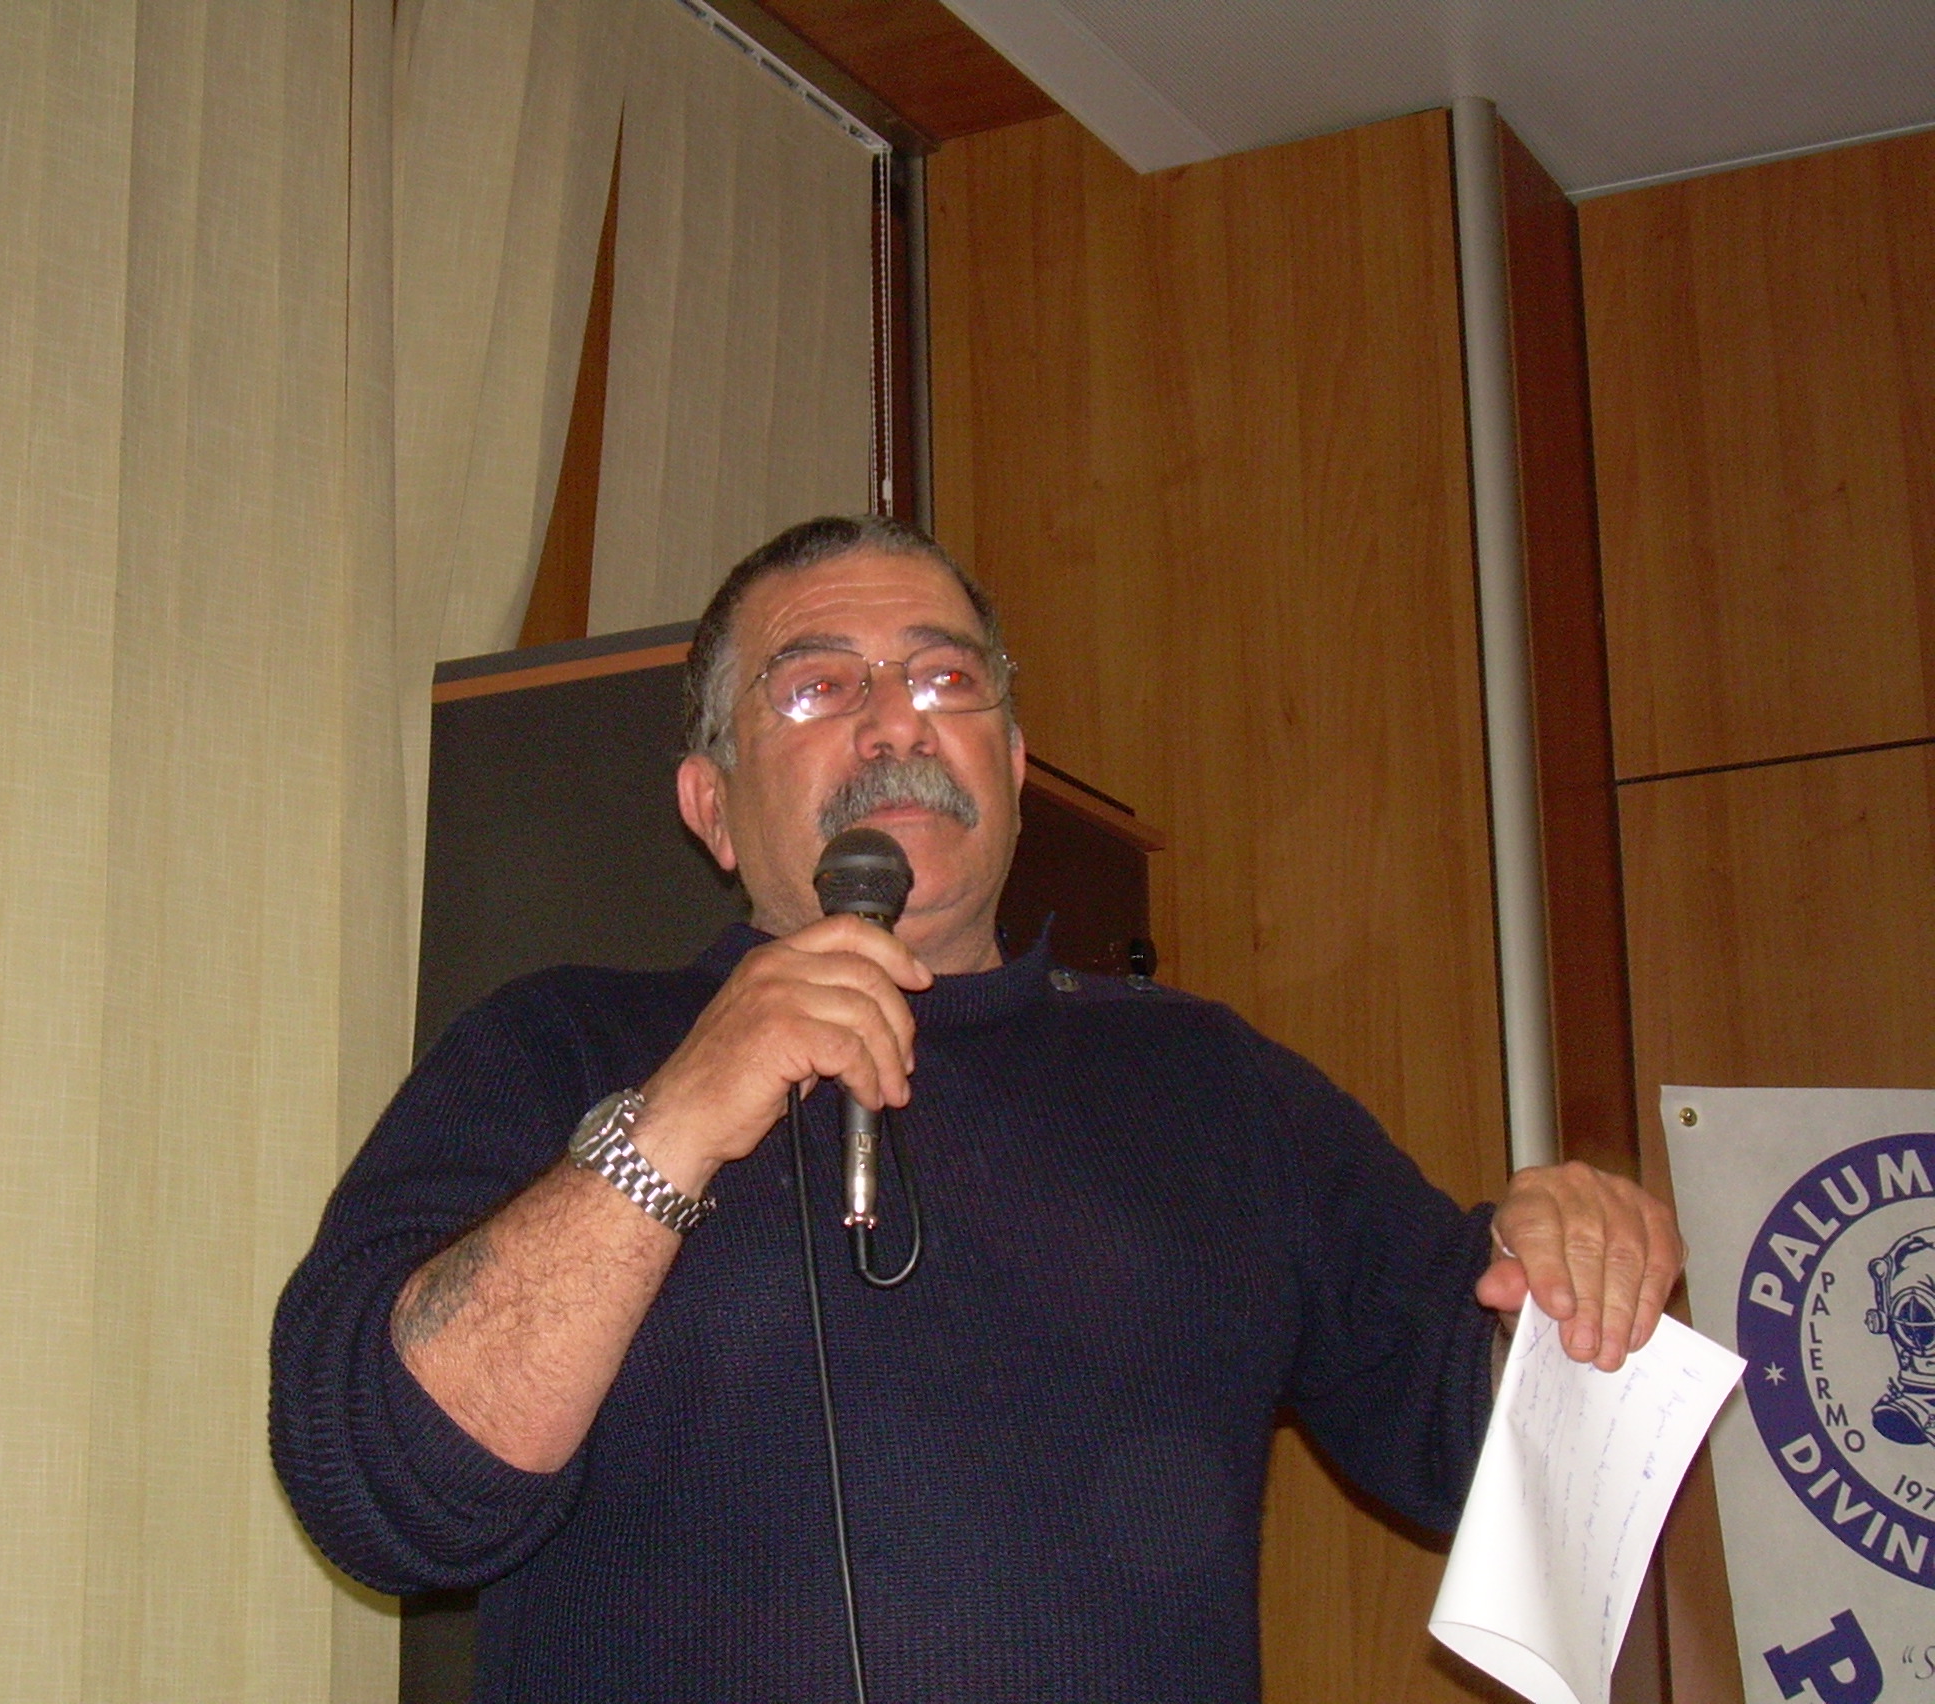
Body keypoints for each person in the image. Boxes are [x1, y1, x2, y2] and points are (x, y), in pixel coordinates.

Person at [270, 514, 1683, 1704]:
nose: (899, 720)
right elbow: (385, 1489)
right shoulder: (554, 1046)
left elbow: (1517, 1470)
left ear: (1009, 767)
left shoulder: (1214, 1085)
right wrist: (675, 1123)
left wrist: (1580, 1276)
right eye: (817, 688)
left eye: (949, 679)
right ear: (710, 807)